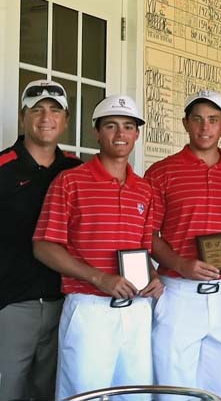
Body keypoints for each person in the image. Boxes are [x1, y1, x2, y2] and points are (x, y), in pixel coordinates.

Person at [32, 95, 163, 399]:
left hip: (137, 311)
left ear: (137, 134)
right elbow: (43, 246)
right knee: (85, 394)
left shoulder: (144, 189)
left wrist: (153, 277)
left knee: (136, 395)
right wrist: (99, 278)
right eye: (111, 126)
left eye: (128, 127)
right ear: (97, 132)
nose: (120, 135)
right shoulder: (70, 182)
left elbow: (142, 251)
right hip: (89, 309)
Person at [145, 90, 221, 400]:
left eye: (213, 120)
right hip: (178, 292)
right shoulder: (161, 173)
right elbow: (148, 235)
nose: (204, 128)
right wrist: (181, 264)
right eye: (197, 119)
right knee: (173, 389)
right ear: (185, 123)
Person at [0, 80, 82, 400]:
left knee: (55, 391)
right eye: (37, 109)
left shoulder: (76, 171)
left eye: (54, 110)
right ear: (23, 118)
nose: (46, 117)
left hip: (64, 301)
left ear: (65, 120)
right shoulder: (3, 169)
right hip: (12, 304)